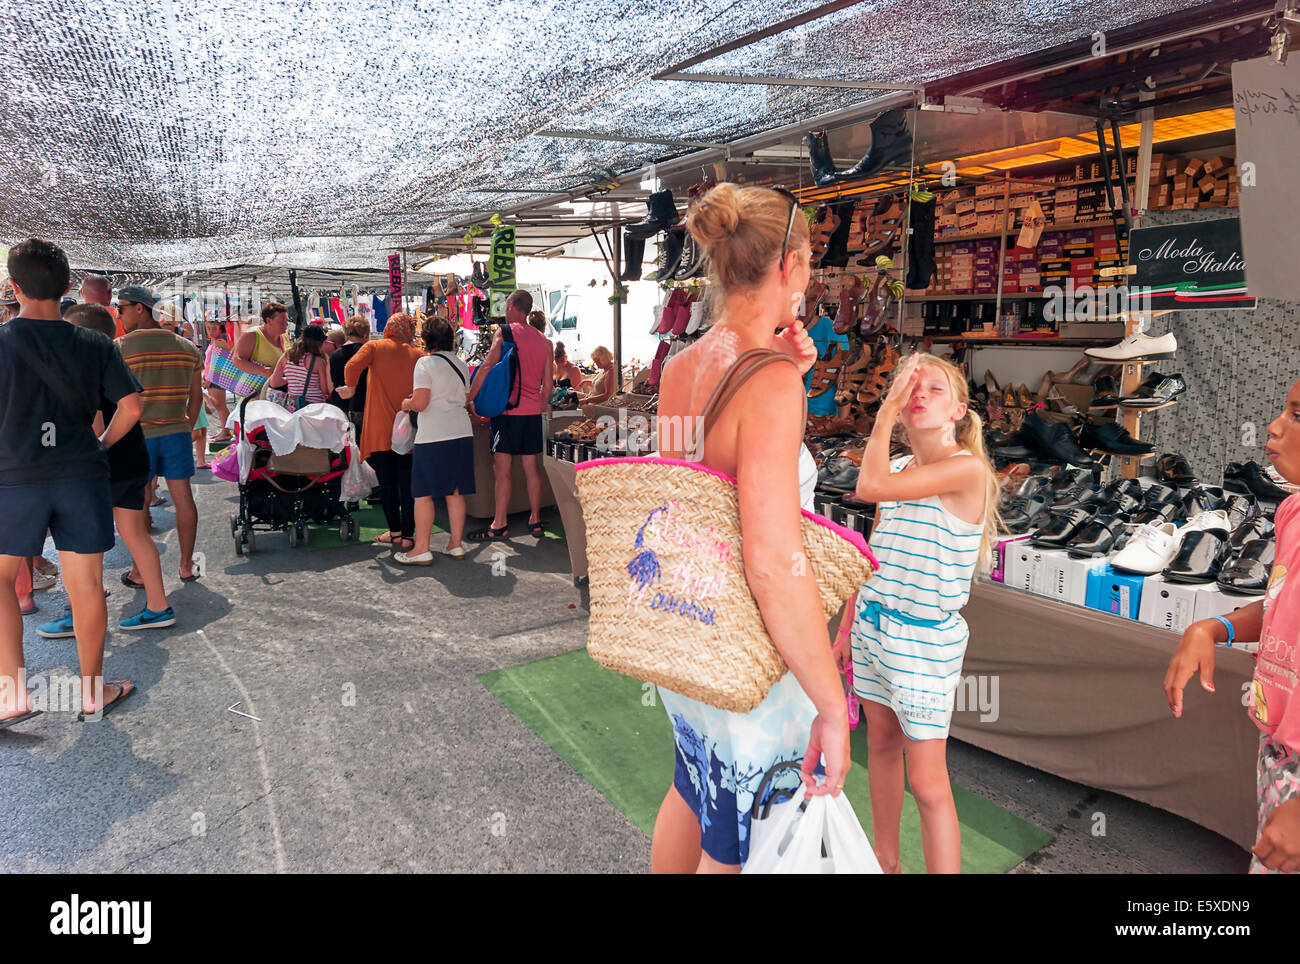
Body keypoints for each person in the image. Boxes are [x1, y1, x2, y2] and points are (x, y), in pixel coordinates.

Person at [649, 184, 847, 872]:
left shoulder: (681, 368)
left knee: (695, 790)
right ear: (788, 266)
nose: (810, 279)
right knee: (738, 837)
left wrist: (783, 371)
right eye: (810, 262)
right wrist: (830, 701)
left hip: (693, 627)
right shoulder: (769, 384)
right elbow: (770, 560)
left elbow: (688, 499)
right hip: (754, 645)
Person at [845, 352, 999, 874]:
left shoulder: (966, 469)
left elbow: (869, 488)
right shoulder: (906, 467)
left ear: (958, 410)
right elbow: (874, 549)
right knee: (881, 746)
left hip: (924, 641)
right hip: (874, 621)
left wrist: (886, 411)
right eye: (911, 386)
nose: (918, 394)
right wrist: (847, 625)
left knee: (929, 783)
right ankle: (885, 860)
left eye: (933, 388)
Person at [0, 239, 142, 727]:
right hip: (81, 473)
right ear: (66, 288)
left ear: (14, 288)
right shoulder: (96, 343)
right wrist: (99, 444)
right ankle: (91, 691)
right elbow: (131, 407)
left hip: (13, 479)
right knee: (86, 584)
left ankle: (11, 694)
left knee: (0, 580)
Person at [1165, 376, 1300, 874]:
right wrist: (1212, 628)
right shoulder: (1291, 512)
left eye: (1298, 416)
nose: (1273, 425)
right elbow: (1282, 608)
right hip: (1279, 754)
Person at [60, 304, 174, 631]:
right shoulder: (113, 361)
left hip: (102, 467)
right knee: (136, 535)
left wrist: (98, 446)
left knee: (85, 543)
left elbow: (94, 424)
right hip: (132, 459)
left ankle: (78, 614)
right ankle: (158, 606)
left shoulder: (82, 368)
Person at [116, 285, 204, 583]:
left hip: (137, 437)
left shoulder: (120, 347)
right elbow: (196, 398)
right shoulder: (187, 347)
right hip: (176, 432)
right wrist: (186, 426)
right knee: (183, 498)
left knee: (139, 502)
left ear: (139, 308)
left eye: (121, 308)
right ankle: (187, 565)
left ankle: (140, 571)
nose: (119, 313)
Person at [465, 290, 553, 540]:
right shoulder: (544, 341)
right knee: (531, 468)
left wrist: (471, 397)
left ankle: (499, 523)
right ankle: (535, 520)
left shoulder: (505, 332)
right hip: (531, 413)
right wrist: (539, 405)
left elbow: (488, 365)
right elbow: (547, 385)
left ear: (513, 306)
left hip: (508, 412)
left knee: (501, 469)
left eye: (506, 305)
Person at [396, 317, 474, 565]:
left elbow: (420, 403)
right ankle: (456, 544)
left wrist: (406, 403)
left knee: (423, 493)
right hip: (461, 431)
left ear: (426, 338)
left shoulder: (424, 364)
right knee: (455, 491)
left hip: (433, 435)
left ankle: (421, 548)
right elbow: (465, 400)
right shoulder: (461, 364)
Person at [343, 313, 422, 552]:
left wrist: (351, 386)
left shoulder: (375, 347)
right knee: (408, 486)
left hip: (379, 431)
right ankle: (409, 536)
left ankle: (395, 533)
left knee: (387, 485)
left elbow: (351, 366)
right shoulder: (418, 354)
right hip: (407, 431)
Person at [268, 323, 332, 409]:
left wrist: (292, 379)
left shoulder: (286, 356)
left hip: (293, 407)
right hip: (314, 408)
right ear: (319, 343)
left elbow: (274, 383)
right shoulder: (318, 361)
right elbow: (325, 390)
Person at [232, 301, 289, 389]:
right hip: (255, 396)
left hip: (279, 394)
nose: (286, 324)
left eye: (287, 320)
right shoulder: (252, 335)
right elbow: (237, 360)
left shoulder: (284, 336)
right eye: (282, 321)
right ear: (269, 321)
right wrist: (262, 371)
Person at [328, 315, 370, 434]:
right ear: (365, 334)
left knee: (344, 447)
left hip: (340, 407)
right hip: (363, 406)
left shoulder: (334, 355)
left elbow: (330, 384)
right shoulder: (367, 353)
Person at [202, 318, 233, 443]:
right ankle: (224, 430)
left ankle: (226, 431)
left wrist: (208, 378)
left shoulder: (219, 342)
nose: (211, 331)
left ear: (221, 328)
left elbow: (217, 363)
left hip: (216, 378)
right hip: (211, 378)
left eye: (214, 328)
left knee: (220, 406)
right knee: (218, 405)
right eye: (208, 328)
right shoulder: (213, 342)